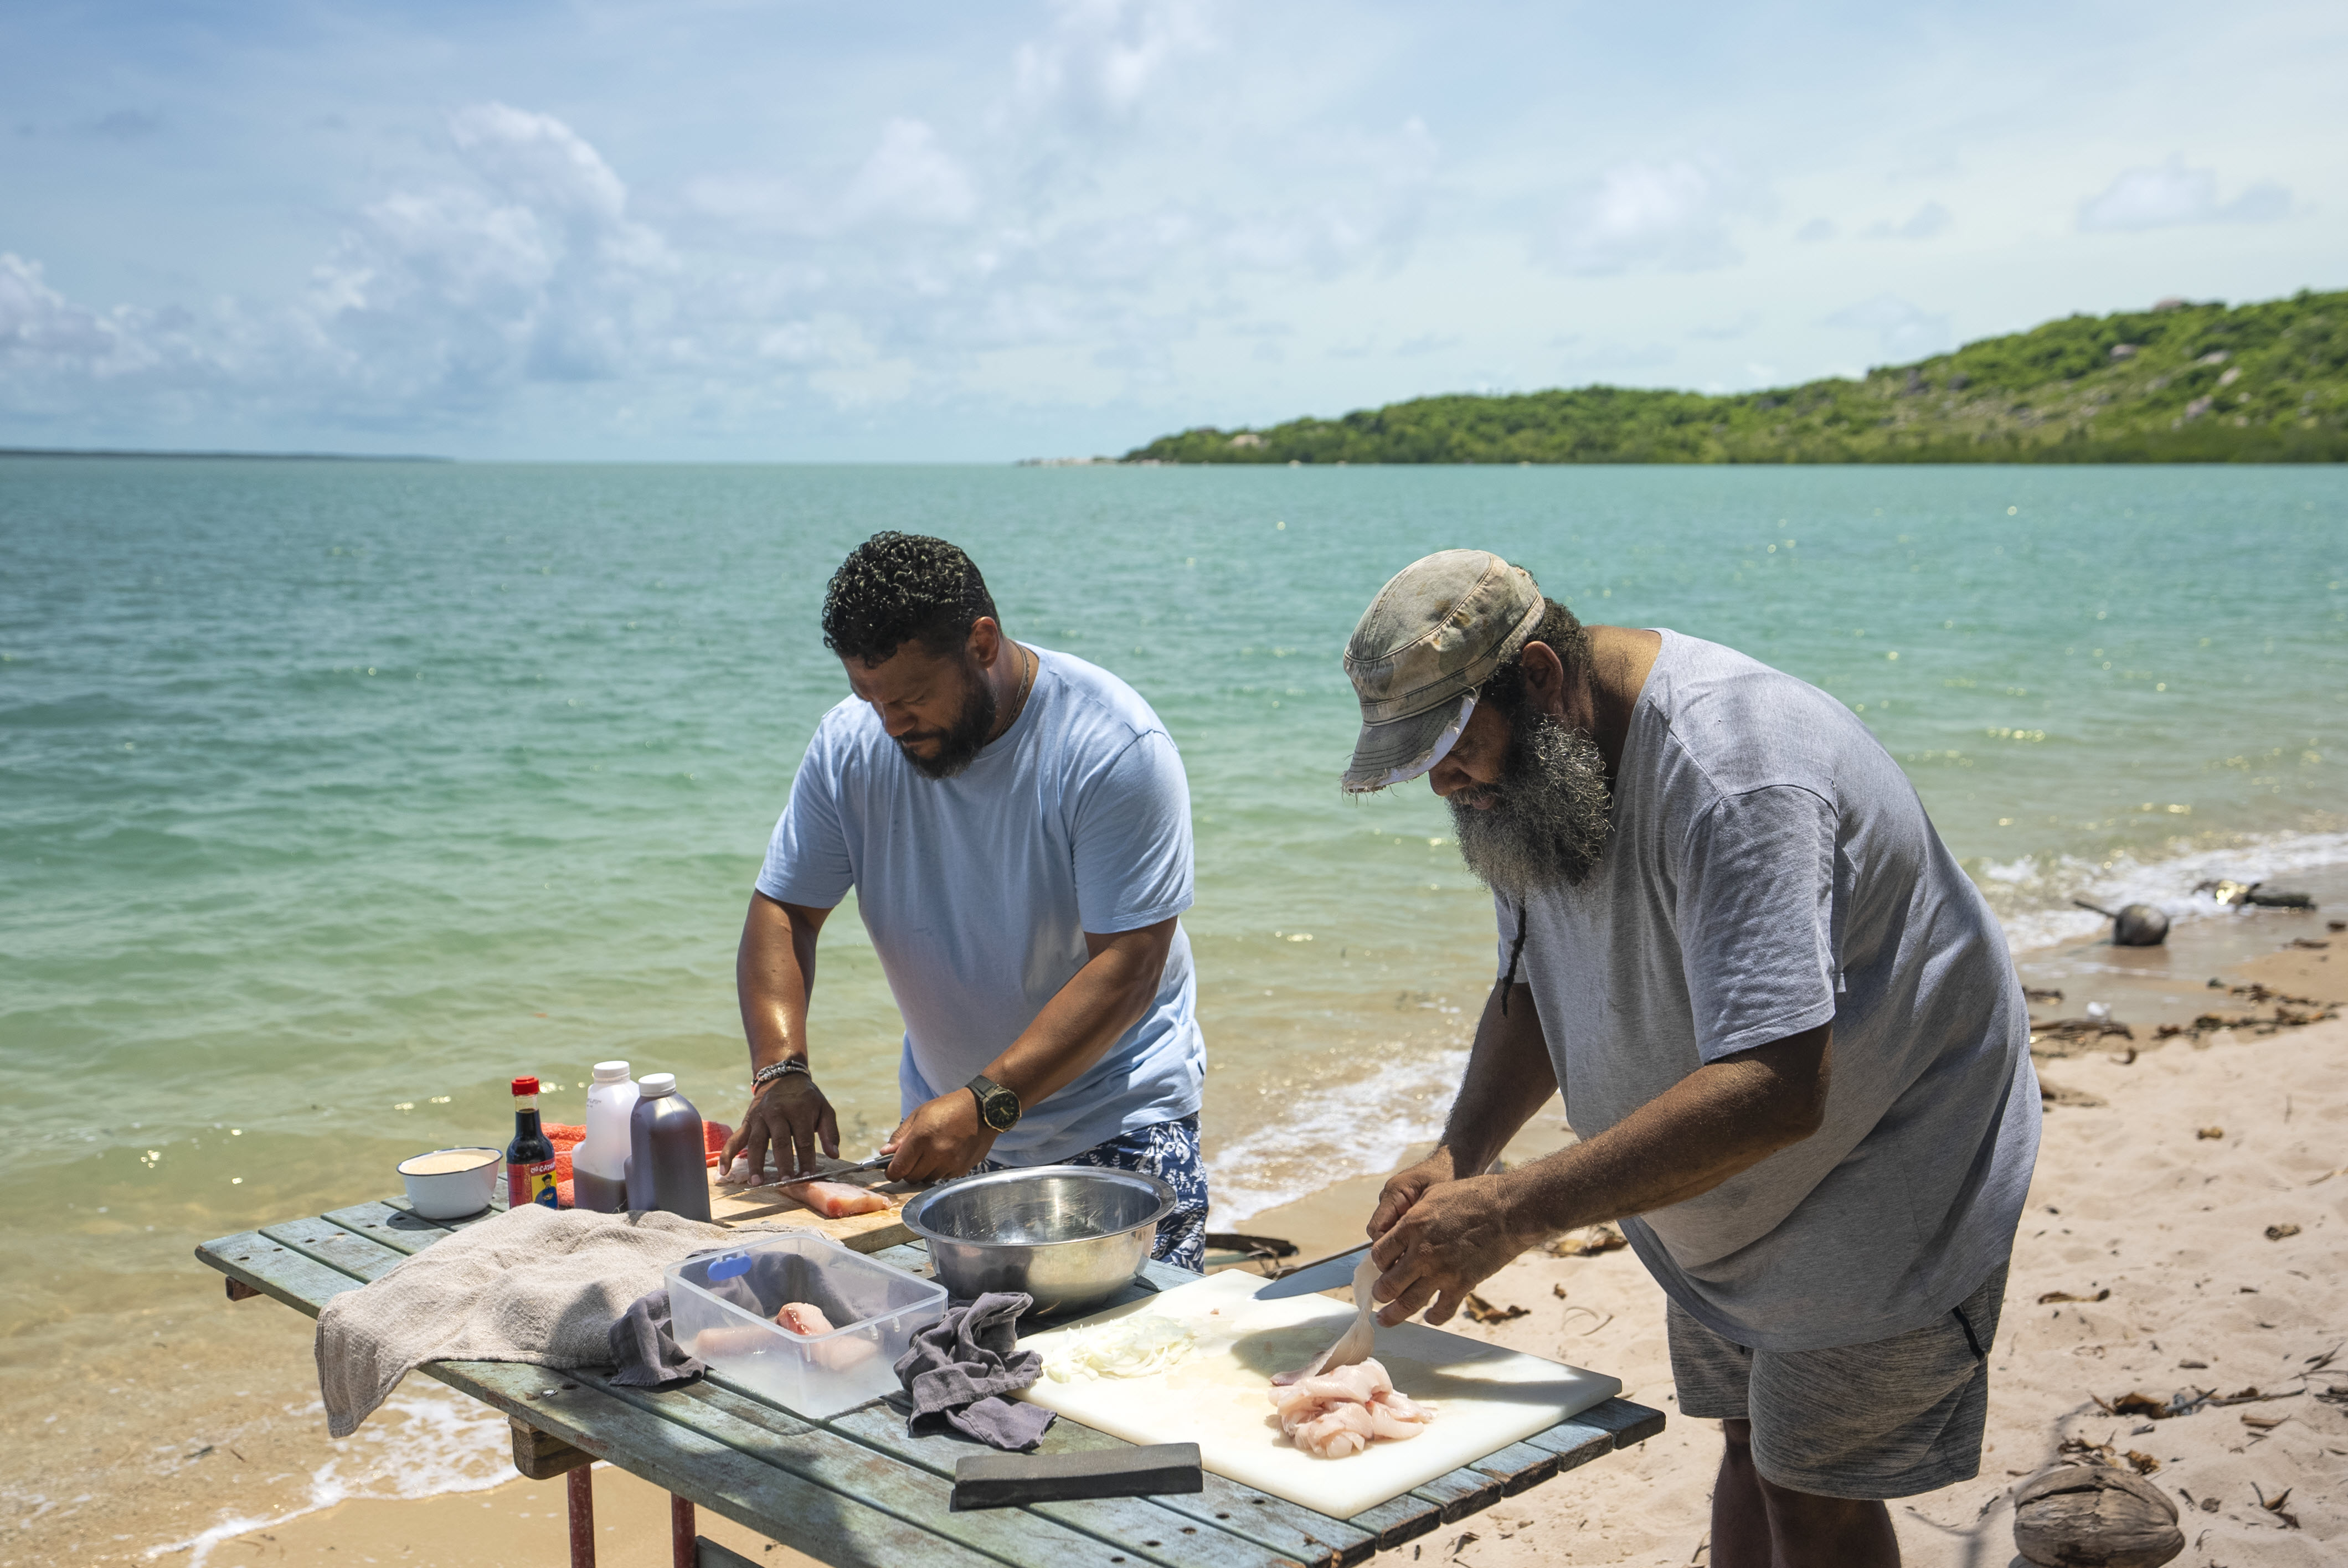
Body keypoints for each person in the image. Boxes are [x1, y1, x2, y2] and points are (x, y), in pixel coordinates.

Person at [1342, 550, 2040, 1567]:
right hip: (1708, 1192)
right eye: (1416, 762)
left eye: (1449, 744)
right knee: (1752, 1445)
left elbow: (1775, 1089)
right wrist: (1464, 1154)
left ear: (1539, 678)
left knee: (1816, 1493)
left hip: (1887, 1166)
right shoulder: (1534, 775)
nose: (1442, 780)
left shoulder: (1737, 774)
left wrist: (1513, 1211)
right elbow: (1533, 986)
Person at [720, 532, 1209, 1268]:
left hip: (1118, 1123)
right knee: (968, 1369)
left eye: (913, 697)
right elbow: (786, 910)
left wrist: (989, 1103)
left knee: (1125, 1369)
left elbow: (1131, 967)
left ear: (982, 643)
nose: (892, 723)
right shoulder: (850, 745)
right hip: (951, 1129)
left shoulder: (1113, 747)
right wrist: (781, 1070)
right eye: (869, 697)